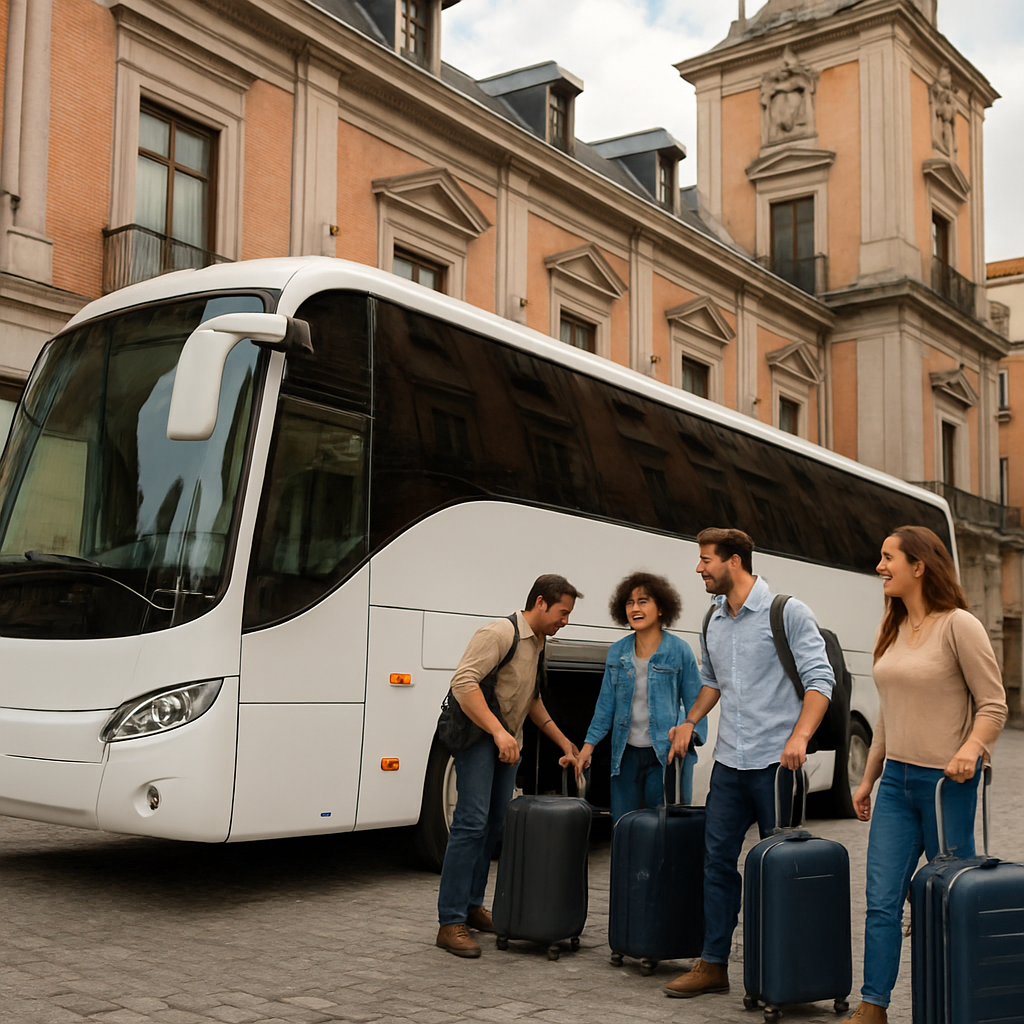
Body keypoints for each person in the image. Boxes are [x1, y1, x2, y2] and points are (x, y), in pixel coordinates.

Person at [841, 527, 1007, 1024]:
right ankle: (873, 1007)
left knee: (951, 899)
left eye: (888, 557)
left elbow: (994, 705)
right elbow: (890, 715)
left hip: (946, 787)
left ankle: (962, 1002)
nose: (879, 566)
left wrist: (971, 749)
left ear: (919, 565)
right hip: (895, 784)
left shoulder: (960, 626)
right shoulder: (888, 628)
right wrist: (869, 778)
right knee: (881, 900)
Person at [663, 527, 835, 999]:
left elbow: (821, 680)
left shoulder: (788, 612)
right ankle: (713, 963)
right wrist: (689, 719)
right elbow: (712, 680)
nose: (699, 569)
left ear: (734, 561)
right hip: (729, 764)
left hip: (776, 767)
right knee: (716, 863)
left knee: (779, 868)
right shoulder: (713, 619)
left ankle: (782, 968)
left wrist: (800, 735)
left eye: (706, 560)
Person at [435, 574, 582, 959]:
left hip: (505, 743)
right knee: (471, 822)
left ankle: (471, 906)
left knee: (493, 826)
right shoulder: (500, 633)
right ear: (540, 602)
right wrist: (500, 733)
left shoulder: (539, 643)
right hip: (479, 739)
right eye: (563, 613)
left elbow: (530, 699)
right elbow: (463, 684)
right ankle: (450, 922)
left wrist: (563, 741)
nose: (565, 621)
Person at [572, 571, 706, 821]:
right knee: (624, 827)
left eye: (643, 601)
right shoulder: (617, 652)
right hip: (625, 756)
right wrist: (588, 747)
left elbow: (696, 701)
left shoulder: (679, 651)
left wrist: (690, 736)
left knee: (663, 830)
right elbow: (605, 706)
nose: (635, 608)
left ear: (661, 608)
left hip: (664, 755)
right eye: (630, 602)